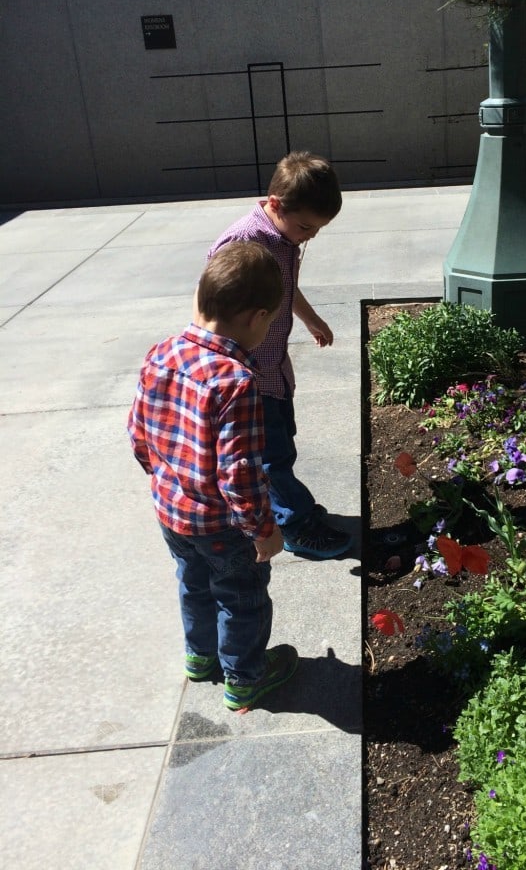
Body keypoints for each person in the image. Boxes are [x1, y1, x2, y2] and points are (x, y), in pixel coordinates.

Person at [127, 241, 298, 712]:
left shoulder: (160, 353)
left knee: (193, 582)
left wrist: (164, 479)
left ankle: (200, 658)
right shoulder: (235, 382)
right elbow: (239, 474)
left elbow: (138, 433)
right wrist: (263, 530)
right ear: (257, 318)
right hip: (222, 525)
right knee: (241, 596)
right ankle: (244, 678)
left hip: (170, 511)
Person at [206, 150, 352, 560]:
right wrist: (228, 370)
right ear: (275, 204)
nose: (310, 235)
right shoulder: (244, 244)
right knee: (270, 457)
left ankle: (288, 507)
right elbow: (215, 308)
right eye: (306, 226)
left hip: (273, 370)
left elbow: (285, 290)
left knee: (281, 445)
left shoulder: (284, 238)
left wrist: (310, 319)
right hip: (249, 378)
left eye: (318, 229)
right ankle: (294, 522)